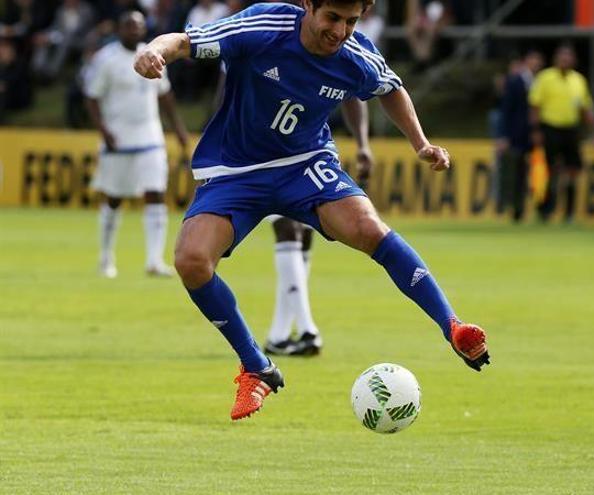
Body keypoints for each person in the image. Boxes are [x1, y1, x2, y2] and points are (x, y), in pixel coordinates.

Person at [133, 0, 490, 421]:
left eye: (351, 21)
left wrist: (420, 143)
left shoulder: (355, 55)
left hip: (304, 164)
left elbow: (390, 89)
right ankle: (256, 366)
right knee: (190, 261)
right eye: (333, 18)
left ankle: (453, 327)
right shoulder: (264, 26)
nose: (340, 31)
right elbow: (186, 41)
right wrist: (153, 49)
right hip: (236, 169)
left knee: (367, 227)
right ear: (308, 6)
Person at [263, 96, 374, 357]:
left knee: (305, 236)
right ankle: (307, 330)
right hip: (262, 156)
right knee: (287, 228)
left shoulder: (330, 57)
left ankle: (278, 335)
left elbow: (353, 89)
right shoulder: (257, 54)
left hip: (309, 154)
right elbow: (227, 90)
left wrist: (363, 143)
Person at [85, 11, 188, 279]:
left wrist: (178, 129)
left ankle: (154, 260)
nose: (134, 31)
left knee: (155, 193)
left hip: (150, 137)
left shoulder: (152, 54)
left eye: (139, 26)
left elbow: (165, 95)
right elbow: (92, 97)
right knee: (114, 198)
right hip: (118, 139)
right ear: (119, 29)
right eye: (129, 26)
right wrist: (103, 130)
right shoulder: (106, 59)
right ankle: (106, 256)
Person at [528, 43, 594, 223]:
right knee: (550, 170)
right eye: (562, 57)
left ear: (573, 60)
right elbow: (535, 106)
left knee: (573, 171)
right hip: (550, 127)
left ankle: (569, 213)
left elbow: (585, 108)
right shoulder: (545, 78)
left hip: (571, 129)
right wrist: (536, 130)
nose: (565, 60)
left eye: (568, 57)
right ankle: (545, 210)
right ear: (556, 59)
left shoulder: (578, 80)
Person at [498, 49, 543, 222]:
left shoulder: (539, 82)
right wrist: (503, 135)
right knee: (514, 173)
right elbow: (506, 110)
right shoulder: (515, 81)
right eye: (533, 59)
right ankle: (513, 208)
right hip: (515, 135)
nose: (536, 63)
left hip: (531, 136)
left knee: (526, 174)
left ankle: (524, 208)